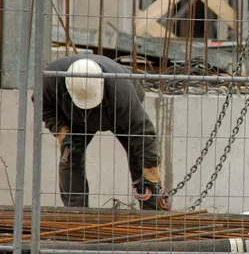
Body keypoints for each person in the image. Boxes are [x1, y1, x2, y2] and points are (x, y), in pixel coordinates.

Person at [39, 54, 171, 210]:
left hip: (115, 110)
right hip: (75, 115)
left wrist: (150, 168)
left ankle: (151, 211)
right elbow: (43, 105)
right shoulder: (51, 78)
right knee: (70, 155)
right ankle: (75, 212)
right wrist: (62, 130)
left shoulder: (122, 94)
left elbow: (143, 133)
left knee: (139, 156)